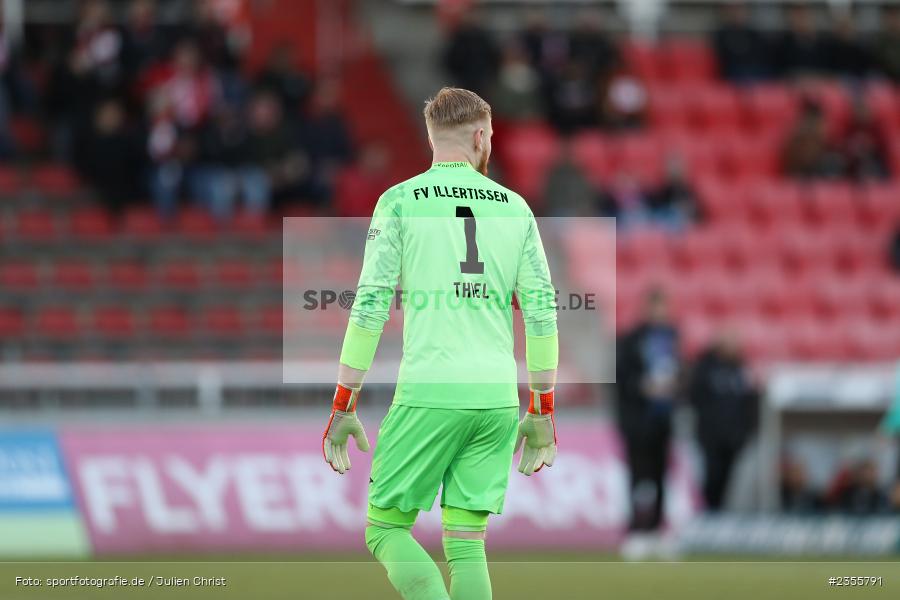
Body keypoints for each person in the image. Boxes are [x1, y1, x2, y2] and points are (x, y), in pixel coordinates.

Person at [321, 87, 559, 600]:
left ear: (433, 140)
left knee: (385, 529)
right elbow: (541, 313)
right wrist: (542, 409)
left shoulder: (400, 201)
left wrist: (344, 402)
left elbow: (370, 307)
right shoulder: (516, 209)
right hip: (496, 399)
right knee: (468, 543)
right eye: (490, 137)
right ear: (480, 137)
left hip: (431, 391)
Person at [615, 288, 681, 558]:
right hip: (638, 421)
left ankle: (657, 530)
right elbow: (623, 379)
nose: (660, 313)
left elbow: (680, 372)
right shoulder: (631, 339)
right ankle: (635, 531)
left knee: (661, 477)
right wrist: (644, 387)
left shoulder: (671, 337)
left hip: (662, 420)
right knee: (637, 477)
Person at [689, 329, 758, 512]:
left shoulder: (741, 368)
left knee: (727, 479)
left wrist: (747, 431)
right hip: (711, 436)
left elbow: (750, 401)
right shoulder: (706, 367)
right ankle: (707, 513)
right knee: (712, 477)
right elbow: (694, 397)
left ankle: (718, 513)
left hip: (734, 437)